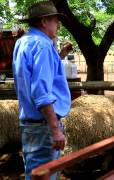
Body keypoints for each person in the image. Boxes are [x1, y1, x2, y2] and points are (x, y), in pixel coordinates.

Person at [12, 1, 72, 179]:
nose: (58, 24)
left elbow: (35, 77)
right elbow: (41, 92)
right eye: (55, 20)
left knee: (34, 174)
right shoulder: (43, 46)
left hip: (30, 126)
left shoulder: (23, 42)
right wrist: (55, 129)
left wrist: (60, 55)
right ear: (44, 21)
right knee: (45, 175)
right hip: (43, 127)